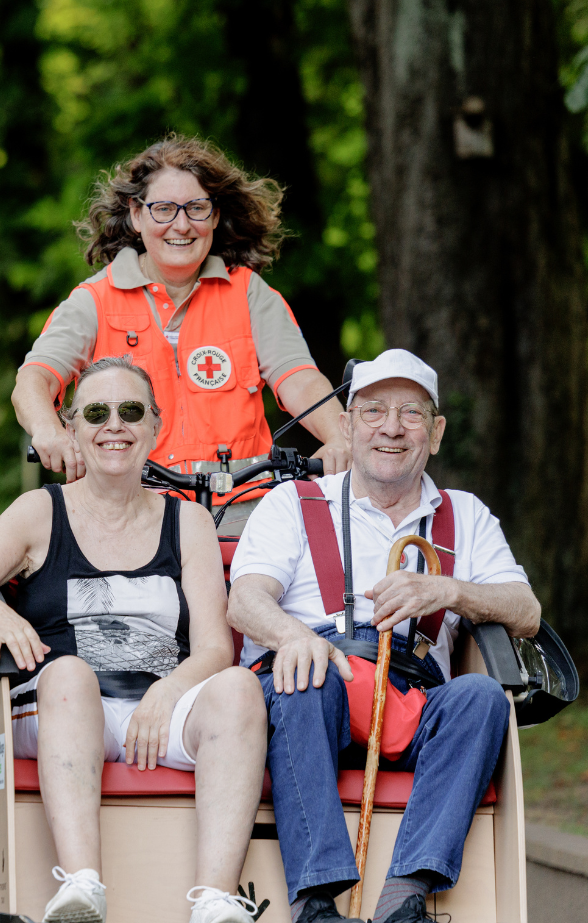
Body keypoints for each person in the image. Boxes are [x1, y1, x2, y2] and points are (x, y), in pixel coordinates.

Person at [0, 356, 268, 923]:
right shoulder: (40, 512)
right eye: (96, 413)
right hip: (61, 705)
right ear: (72, 427)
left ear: (155, 425)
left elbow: (214, 647)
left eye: (131, 411)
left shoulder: (188, 523)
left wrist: (166, 692)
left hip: (158, 709)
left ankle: (215, 899)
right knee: (69, 674)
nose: (115, 426)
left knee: (238, 688)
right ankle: (82, 887)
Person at [226, 349, 541, 923]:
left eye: (411, 413)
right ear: (347, 426)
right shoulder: (293, 502)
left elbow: (526, 611)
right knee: (305, 677)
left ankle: (404, 898)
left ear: (435, 433)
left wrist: (449, 590)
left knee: (482, 697)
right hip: (310, 691)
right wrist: (297, 638)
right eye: (373, 410)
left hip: (412, 697)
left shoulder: (466, 515)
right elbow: (245, 600)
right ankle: (315, 903)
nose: (391, 428)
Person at [11, 134, 350, 531]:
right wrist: (48, 430)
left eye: (196, 208)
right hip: (128, 515)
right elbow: (33, 380)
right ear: (136, 215)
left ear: (215, 216)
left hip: (244, 516)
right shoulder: (94, 300)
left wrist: (340, 435)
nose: (182, 224)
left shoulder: (249, 293)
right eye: (164, 209)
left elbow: (299, 379)